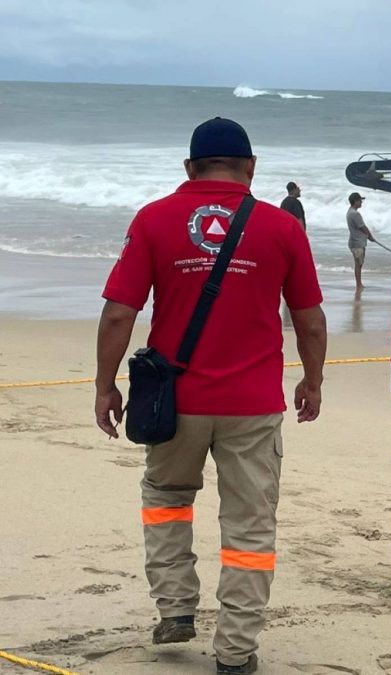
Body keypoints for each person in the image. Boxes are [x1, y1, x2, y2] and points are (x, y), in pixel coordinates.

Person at [94, 117, 327, 675]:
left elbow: (119, 313)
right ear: (251, 167)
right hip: (252, 404)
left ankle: (175, 608)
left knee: (166, 497)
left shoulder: (154, 219)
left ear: (188, 167)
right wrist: (312, 380)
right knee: (249, 526)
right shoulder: (280, 226)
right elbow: (311, 320)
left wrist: (105, 386)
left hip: (173, 401)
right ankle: (235, 652)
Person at [346, 192, 376, 293]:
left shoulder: (350, 211)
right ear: (355, 202)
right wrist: (370, 236)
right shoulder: (355, 214)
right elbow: (362, 227)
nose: (361, 202)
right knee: (358, 264)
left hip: (356, 241)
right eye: (360, 200)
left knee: (359, 264)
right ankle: (359, 284)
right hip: (357, 242)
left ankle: (359, 283)